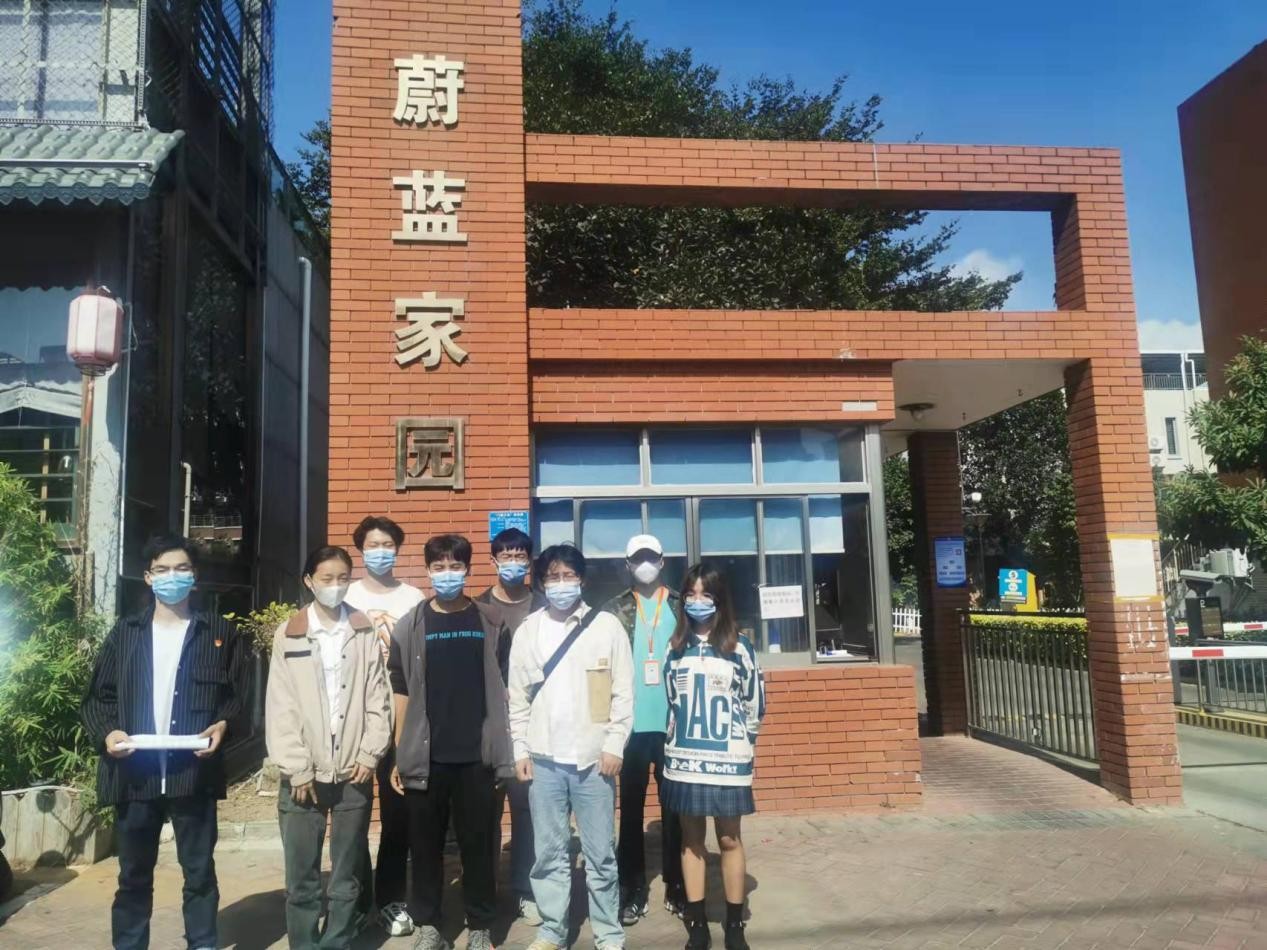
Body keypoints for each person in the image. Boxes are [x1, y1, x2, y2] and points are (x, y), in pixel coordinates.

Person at [81, 533, 249, 950]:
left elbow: (237, 698)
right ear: (148, 577)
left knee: (199, 873)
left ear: (195, 576)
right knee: (133, 876)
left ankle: (203, 943)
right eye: (162, 569)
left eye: (181, 569)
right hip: (135, 776)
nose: (172, 577)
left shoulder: (218, 632)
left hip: (192, 774)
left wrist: (223, 725)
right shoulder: (126, 632)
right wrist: (108, 733)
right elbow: (98, 698)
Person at [388, 534, 514, 950]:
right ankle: (429, 925)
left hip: (477, 756)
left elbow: (506, 688)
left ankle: (480, 925)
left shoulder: (490, 621)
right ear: (427, 571)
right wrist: (400, 751)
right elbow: (400, 689)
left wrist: (504, 749)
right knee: (424, 847)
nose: (447, 574)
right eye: (439, 567)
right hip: (427, 755)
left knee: (478, 845)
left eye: (455, 566)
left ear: (468, 569)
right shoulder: (410, 625)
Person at [265, 545, 392, 950]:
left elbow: (378, 697)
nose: (335, 586)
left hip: (354, 770)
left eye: (343, 578)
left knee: (346, 875)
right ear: (309, 581)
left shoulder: (363, 629)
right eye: (326, 578)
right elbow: (281, 705)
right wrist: (296, 766)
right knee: (301, 877)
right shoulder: (289, 633)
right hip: (304, 775)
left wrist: (371, 752)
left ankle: (337, 942)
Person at [508, 544, 634, 950]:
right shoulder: (529, 630)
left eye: (568, 575)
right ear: (542, 583)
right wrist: (520, 750)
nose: (561, 584)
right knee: (548, 853)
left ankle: (608, 932)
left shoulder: (607, 627)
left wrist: (614, 745)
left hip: (594, 760)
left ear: (581, 579)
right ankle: (552, 930)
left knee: (600, 854)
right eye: (552, 577)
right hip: (544, 759)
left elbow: (623, 692)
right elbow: (517, 698)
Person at [661, 565, 767, 950]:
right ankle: (697, 925)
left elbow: (755, 704)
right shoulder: (675, 647)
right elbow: (671, 701)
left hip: (728, 761)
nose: (698, 601)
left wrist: (743, 744)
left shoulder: (740, 647)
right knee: (691, 841)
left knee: (729, 838)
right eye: (691, 594)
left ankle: (735, 926)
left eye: (706, 594)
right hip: (685, 760)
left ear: (720, 599)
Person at [599, 534, 686, 925]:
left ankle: (678, 886)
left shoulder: (682, 605)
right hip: (630, 728)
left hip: (673, 725)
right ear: (628, 564)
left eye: (652, 557)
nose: (645, 564)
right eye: (638, 559)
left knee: (676, 812)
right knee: (630, 813)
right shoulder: (613, 609)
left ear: (663, 561)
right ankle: (632, 888)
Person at [344, 515, 425, 937]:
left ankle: (392, 899)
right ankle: (357, 902)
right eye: (373, 544)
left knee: (397, 817)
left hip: (401, 721)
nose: (380, 551)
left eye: (387, 544)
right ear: (360, 549)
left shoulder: (413, 598)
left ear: (397, 549)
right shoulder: (347, 595)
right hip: (355, 722)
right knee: (352, 816)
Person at [474, 527, 545, 925]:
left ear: (529, 561)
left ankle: (525, 890)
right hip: (488, 725)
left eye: (520, 556)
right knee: (485, 813)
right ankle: (484, 890)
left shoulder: (544, 605)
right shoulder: (478, 608)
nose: (514, 563)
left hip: (534, 726)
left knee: (527, 811)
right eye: (506, 556)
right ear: (493, 561)